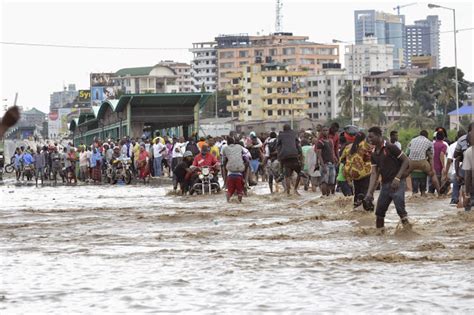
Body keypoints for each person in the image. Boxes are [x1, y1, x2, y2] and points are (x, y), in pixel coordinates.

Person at [365, 126, 411, 232]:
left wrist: (398, 178)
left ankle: (409, 233)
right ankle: (380, 236)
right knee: (379, 213)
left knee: (400, 210)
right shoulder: (373, 153)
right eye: (369, 137)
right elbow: (374, 173)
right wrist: (369, 193)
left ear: (379, 136)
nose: (369, 140)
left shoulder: (390, 147)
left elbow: (406, 160)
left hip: (397, 183)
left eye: (371, 137)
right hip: (385, 184)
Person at [340, 132, 373, 210]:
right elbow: (370, 157)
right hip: (365, 172)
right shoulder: (366, 146)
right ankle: (367, 206)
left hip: (353, 174)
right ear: (364, 138)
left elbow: (342, 159)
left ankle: (356, 206)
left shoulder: (348, 147)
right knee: (366, 190)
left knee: (357, 190)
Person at [404, 130, 441, 195]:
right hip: (422, 163)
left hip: (411, 162)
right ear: (426, 136)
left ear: (419, 134)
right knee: (432, 174)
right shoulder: (429, 142)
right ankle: (439, 192)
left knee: (405, 173)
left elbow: (407, 153)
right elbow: (431, 157)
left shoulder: (412, 140)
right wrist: (432, 170)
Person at [277, 124, 302, 195]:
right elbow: (298, 145)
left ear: (283, 129)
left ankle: (288, 192)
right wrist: (299, 153)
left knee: (287, 176)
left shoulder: (280, 135)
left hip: (285, 157)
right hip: (294, 155)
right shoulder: (294, 134)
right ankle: (295, 189)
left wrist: (280, 155)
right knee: (300, 173)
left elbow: (278, 146)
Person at [444, 130, 467, 205]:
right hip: (462, 169)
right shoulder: (466, 143)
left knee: (455, 180)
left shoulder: (454, 145)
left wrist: (446, 172)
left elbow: (450, 160)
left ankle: (454, 199)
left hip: (457, 170)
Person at [222, 136, 246, 202]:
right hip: (239, 174)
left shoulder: (225, 148)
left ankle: (227, 202)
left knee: (229, 191)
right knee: (240, 192)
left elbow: (223, 160)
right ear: (234, 142)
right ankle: (246, 182)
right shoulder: (239, 147)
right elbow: (245, 155)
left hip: (230, 175)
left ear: (227, 143)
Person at [316, 126, 336, 196]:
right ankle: (324, 196)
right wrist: (323, 165)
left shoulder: (331, 141)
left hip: (332, 164)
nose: (325, 132)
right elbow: (319, 154)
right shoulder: (320, 142)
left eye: (326, 130)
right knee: (324, 181)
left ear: (328, 131)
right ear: (321, 132)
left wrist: (335, 159)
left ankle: (329, 197)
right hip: (325, 164)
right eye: (324, 130)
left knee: (332, 182)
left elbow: (332, 151)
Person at [462, 127, 474, 211]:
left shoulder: (469, 151)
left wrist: (467, 195)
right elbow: (467, 175)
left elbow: (467, 175)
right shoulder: (469, 152)